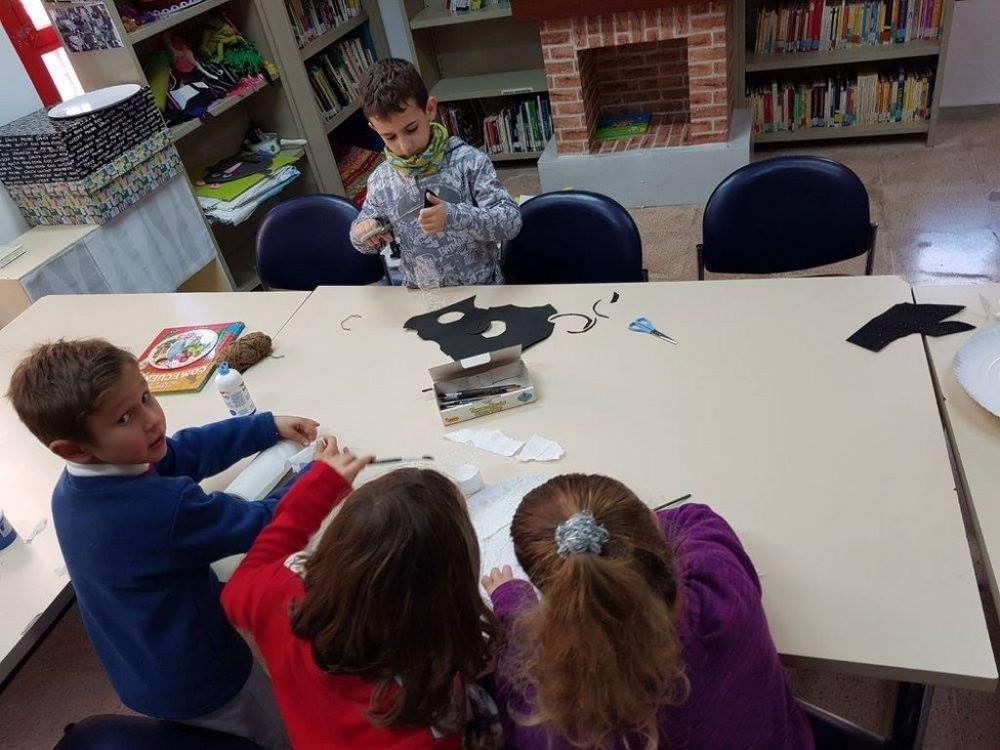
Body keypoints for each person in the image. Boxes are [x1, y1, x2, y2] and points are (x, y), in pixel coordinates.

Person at [6, 339, 321, 750]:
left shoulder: (75, 486)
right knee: (270, 730)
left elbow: (181, 452)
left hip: (139, 661)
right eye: (124, 417)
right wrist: (318, 477)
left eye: (145, 396)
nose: (153, 420)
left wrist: (263, 427)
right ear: (72, 449)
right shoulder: (159, 509)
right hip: (202, 672)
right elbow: (258, 524)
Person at [482, 474, 815, 750]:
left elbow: (518, 654)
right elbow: (697, 518)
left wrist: (511, 600)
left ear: (551, 589)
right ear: (654, 530)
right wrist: (633, 529)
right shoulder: (723, 596)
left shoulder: (541, 712)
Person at [222, 437, 500, 749]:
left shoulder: (278, 594)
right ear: (443, 597)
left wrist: (318, 487)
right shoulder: (427, 715)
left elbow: (235, 591)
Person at [349, 57, 522, 287]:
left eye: (411, 129)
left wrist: (453, 216)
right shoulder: (382, 180)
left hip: (481, 290)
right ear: (374, 129)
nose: (404, 146)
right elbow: (365, 238)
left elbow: (511, 222)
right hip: (422, 295)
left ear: (430, 109)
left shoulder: (468, 162)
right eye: (389, 137)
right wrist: (364, 233)